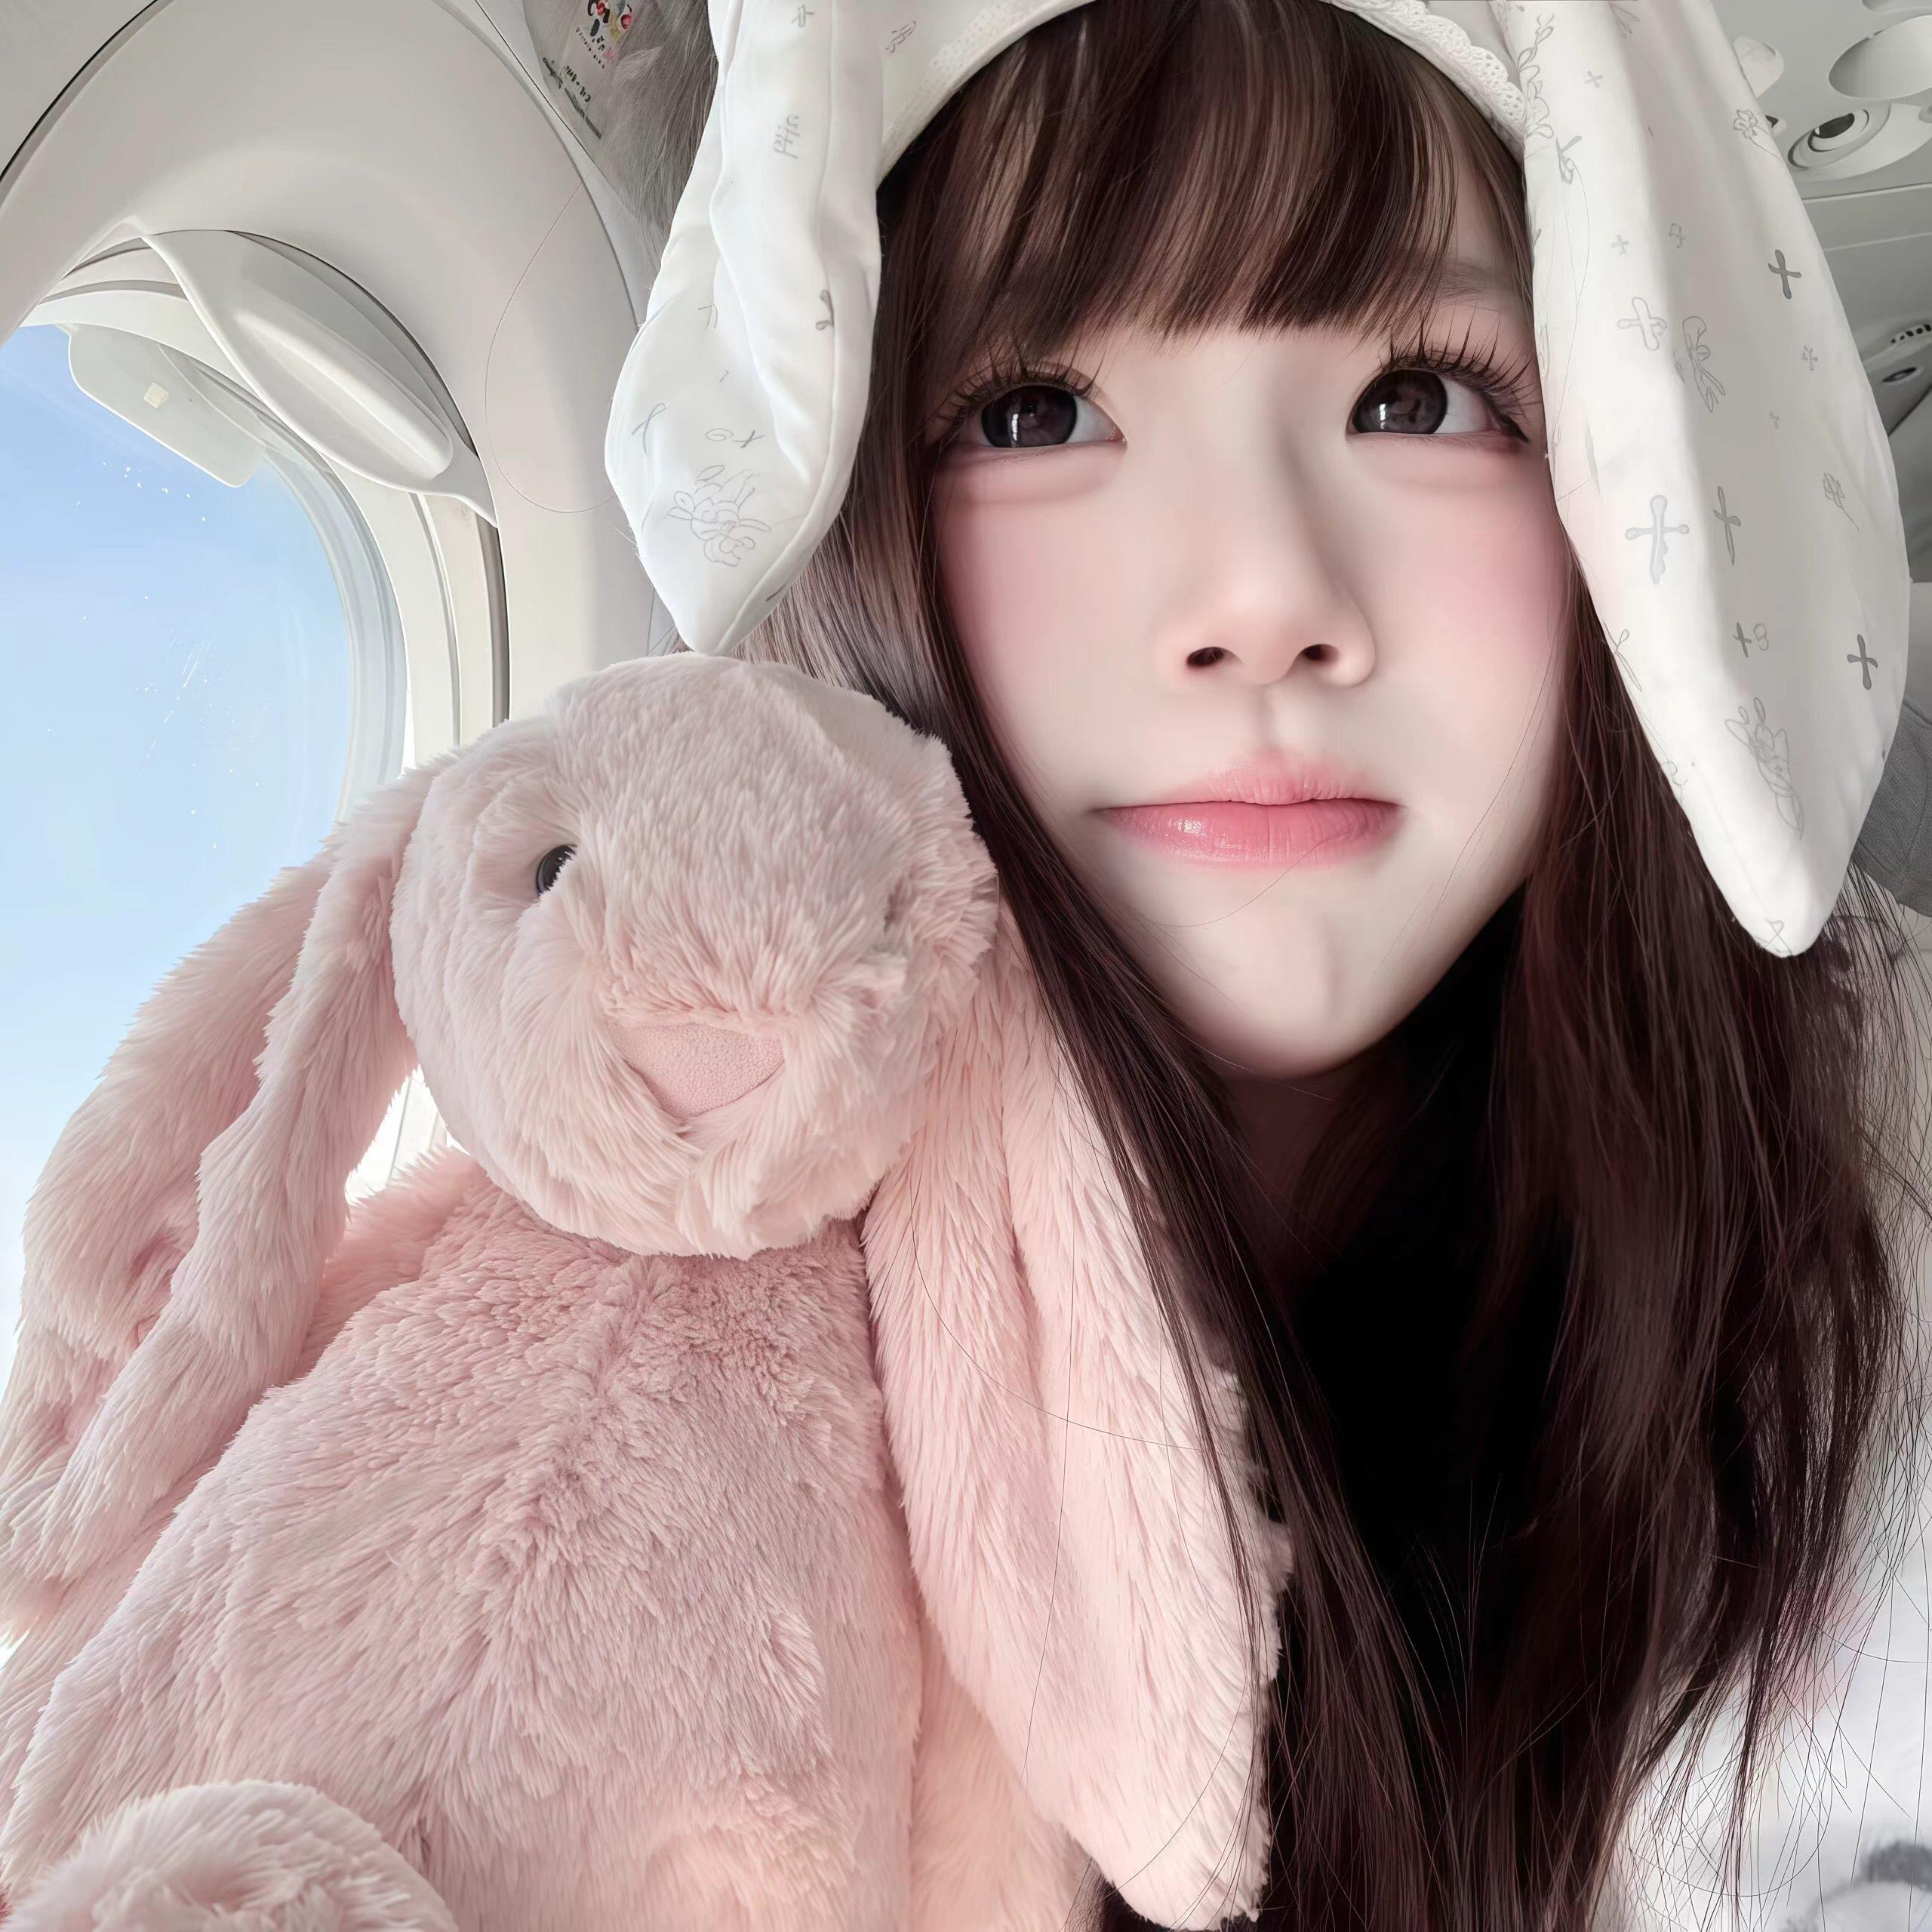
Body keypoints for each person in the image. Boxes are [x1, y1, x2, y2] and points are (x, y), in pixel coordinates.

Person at [679, 0, 1932, 1925]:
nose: (1261, 598)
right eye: (1032, 412)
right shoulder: (654, 1274)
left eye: (1415, 398)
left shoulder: (1882, 1141)